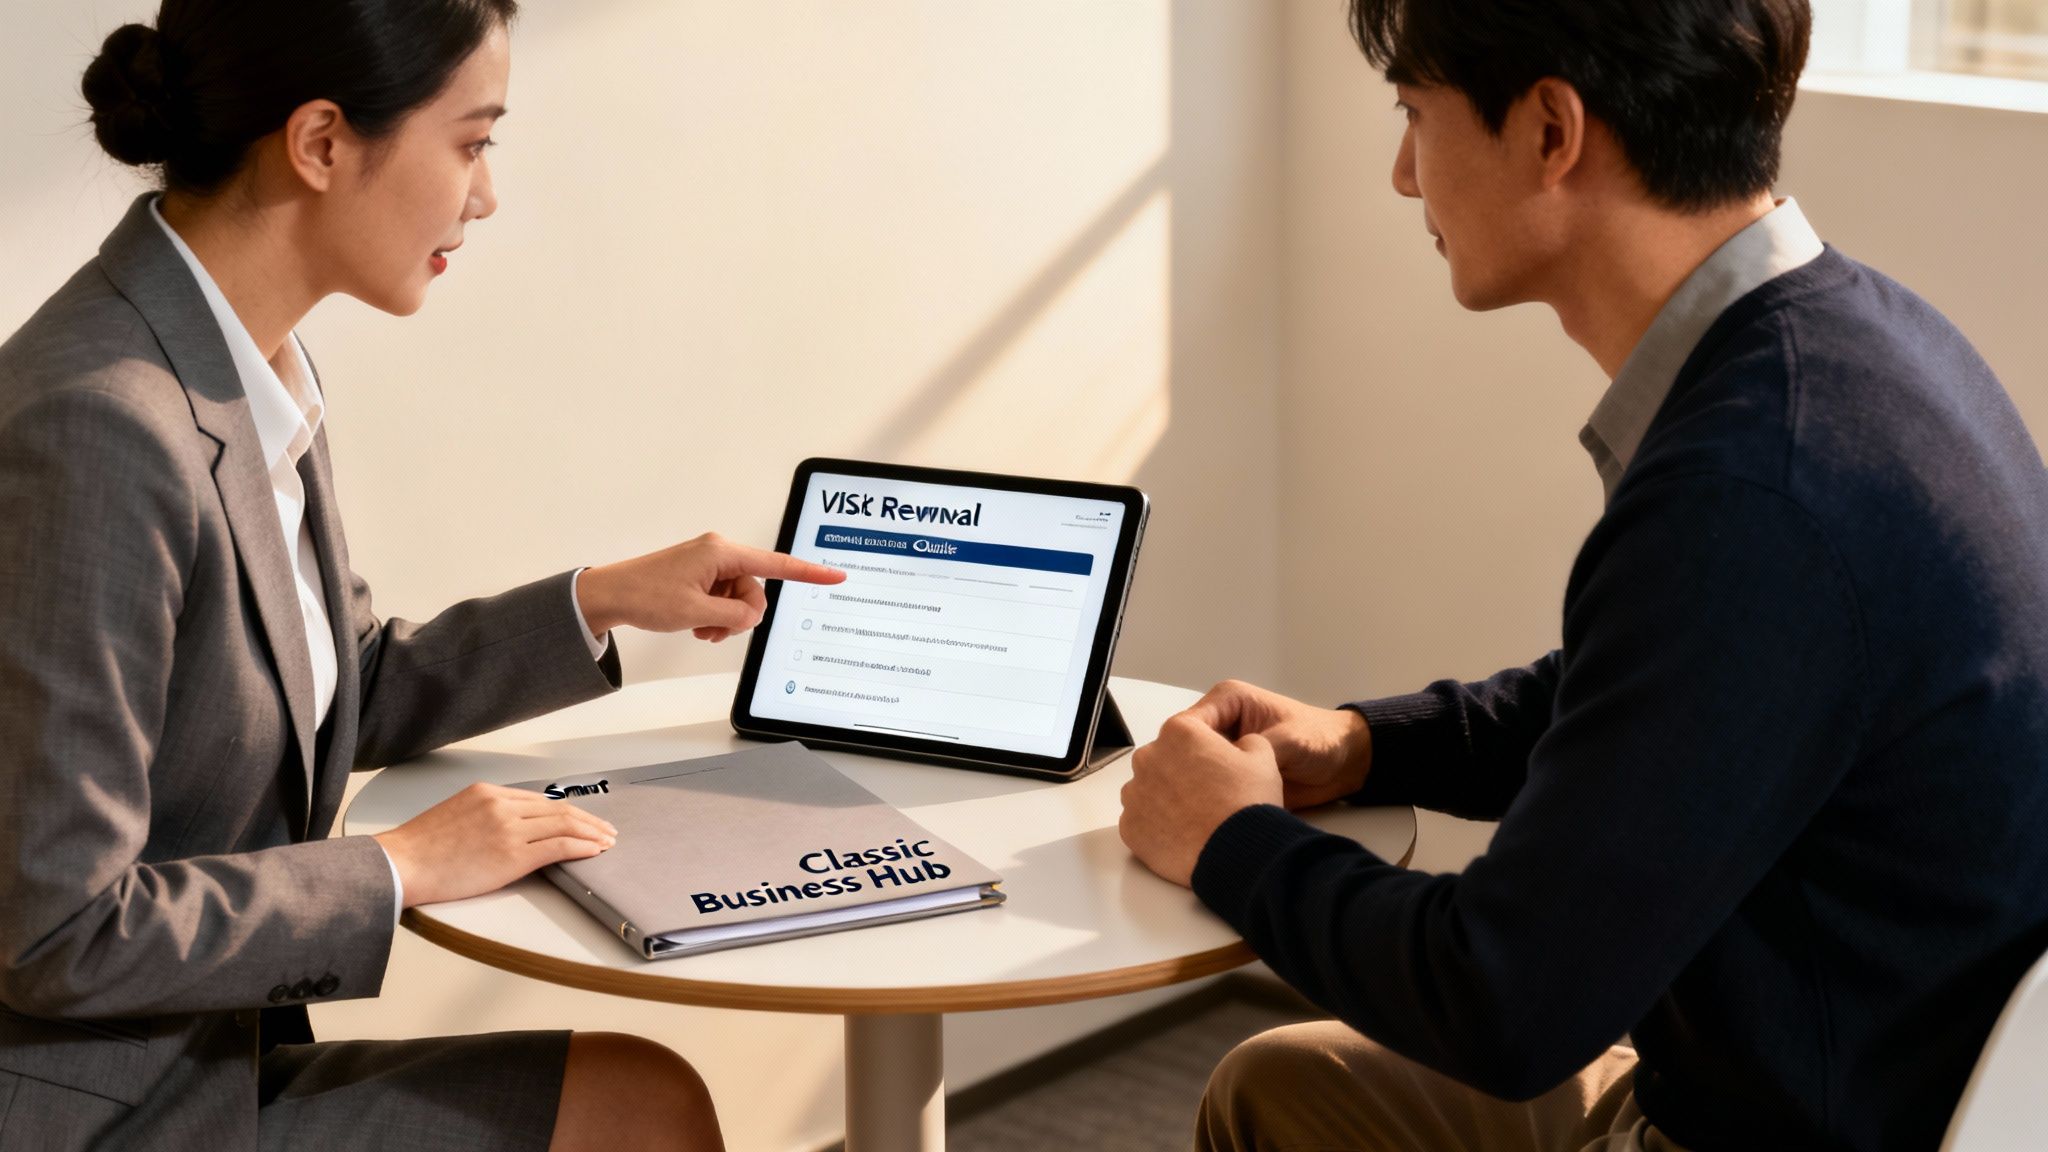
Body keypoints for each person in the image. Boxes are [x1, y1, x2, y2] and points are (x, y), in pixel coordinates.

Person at [1117, 2, 2048, 1150]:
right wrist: (1370, 743)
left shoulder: (1748, 493)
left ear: (1551, 131)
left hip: (1753, 1126)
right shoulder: (1866, 345)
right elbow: (1659, 708)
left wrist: (1231, 843)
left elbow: (1502, 1001)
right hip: (1860, 1083)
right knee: (1281, 1085)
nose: (1402, 176)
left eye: (1414, 115)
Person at [0, 2, 845, 1149]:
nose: (484, 195)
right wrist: (397, 866)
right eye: (473, 140)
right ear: (321, 143)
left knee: (642, 1099)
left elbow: (331, 684)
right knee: (641, 1110)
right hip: (92, 1105)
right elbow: (56, 932)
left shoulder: (239, 359)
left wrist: (599, 599)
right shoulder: (101, 427)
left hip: (195, 1048)